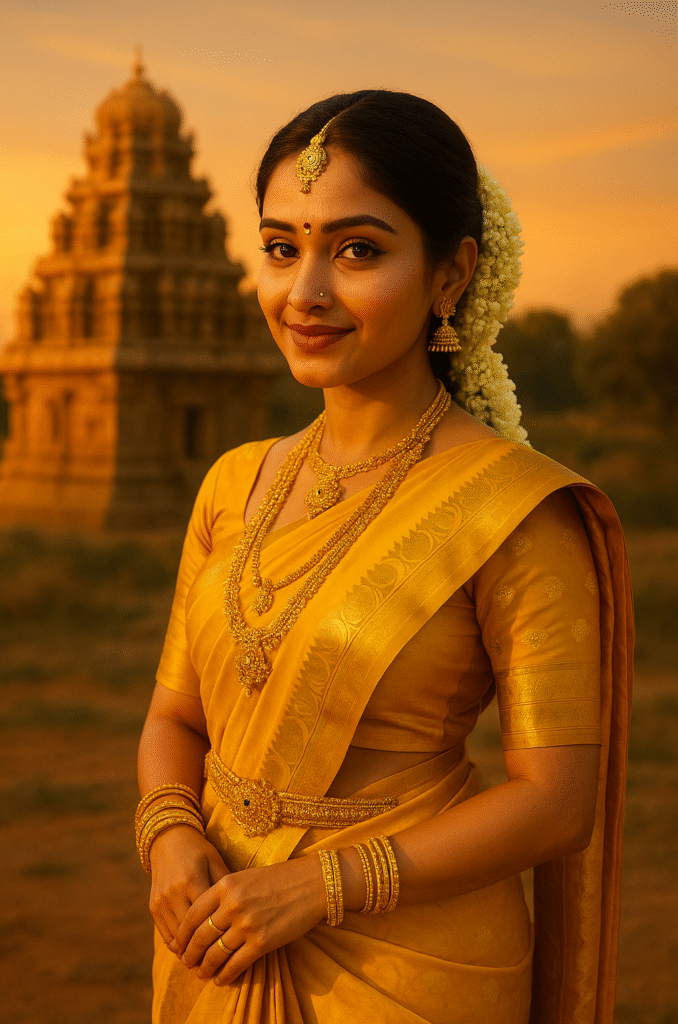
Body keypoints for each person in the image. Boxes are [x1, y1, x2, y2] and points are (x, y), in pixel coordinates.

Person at [136, 90, 633, 1024]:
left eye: (357, 250)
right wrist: (168, 835)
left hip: (414, 961)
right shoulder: (234, 483)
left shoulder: (514, 510)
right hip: (217, 942)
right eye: (282, 248)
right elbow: (173, 718)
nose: (305, 292)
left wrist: (319, 885)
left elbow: (557, 802)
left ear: (450, 276)